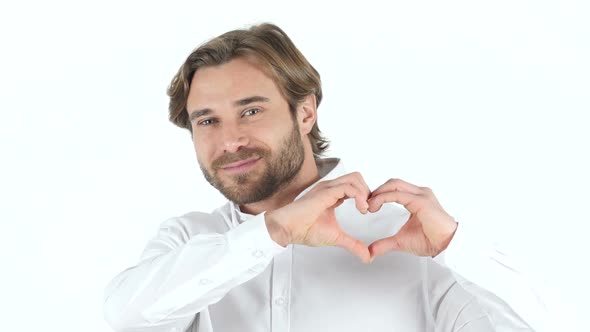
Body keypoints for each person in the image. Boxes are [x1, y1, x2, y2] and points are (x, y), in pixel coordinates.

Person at [103, 23, 550, 332]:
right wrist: (271, 232)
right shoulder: (188, 242)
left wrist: (457, 246)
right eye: (207, 121)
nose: (230, 140)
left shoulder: (404, 239)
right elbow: (126, 317)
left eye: (251, 111)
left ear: (305, 111)